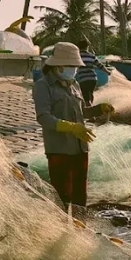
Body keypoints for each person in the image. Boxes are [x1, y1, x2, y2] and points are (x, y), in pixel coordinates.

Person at [33, 42, 115, 214]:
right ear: (59, 65)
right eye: (72, 66)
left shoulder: (74, 84)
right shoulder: (43, 86)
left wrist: (98, 109)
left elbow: (81, 112)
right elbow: (43, 117)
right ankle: (62, 234)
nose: (75, 70)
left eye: (76, 66)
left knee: (80, 197)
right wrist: (70, 127)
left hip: (80, 148)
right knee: (62, 199)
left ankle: (80, 229)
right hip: (60, 150)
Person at [74, 38, 110, 106]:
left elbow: (74, 67)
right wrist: (107, 72)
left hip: (83, 79)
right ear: (87, 47)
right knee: (90, 94)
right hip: (93, 79)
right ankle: (91, 106)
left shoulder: (77, 56)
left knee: (85, 97)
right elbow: (100, 66)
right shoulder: (91, 55)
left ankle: (89, 109)